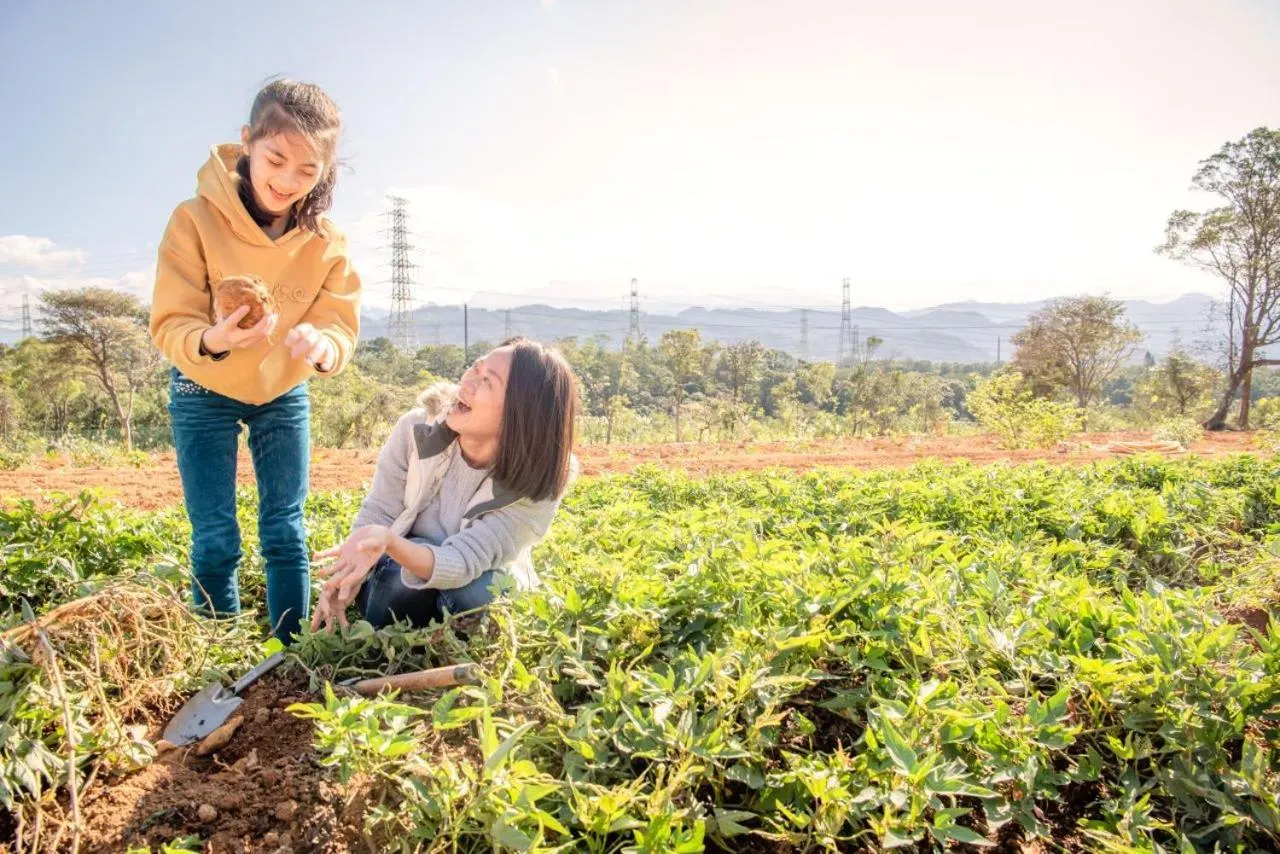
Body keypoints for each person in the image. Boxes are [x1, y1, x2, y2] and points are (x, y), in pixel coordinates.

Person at [149, 79, 361, 641]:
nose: (288, 182)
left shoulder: (326, 241)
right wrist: (213, 339)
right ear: (247, 142)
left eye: (308, 171)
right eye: (276, 160)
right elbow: (171, 321)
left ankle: (289, 651)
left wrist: (325, 345)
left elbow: (339, 318)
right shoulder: (193, 219)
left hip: (283, 392)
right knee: (214, 531)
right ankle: (218, 650)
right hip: (202, 386)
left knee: (285, 529)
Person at [311, 338, 578, 632]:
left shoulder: (539, 478)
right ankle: (406, 640)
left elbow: (464, 560)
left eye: (487, 381)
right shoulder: (416, 430)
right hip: (403, 566)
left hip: (475, 573)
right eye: (476, 368)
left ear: (520, 412)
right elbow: (379, 511)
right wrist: (345, 580)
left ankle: (451, 646)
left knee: (476, 594)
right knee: (397, 586)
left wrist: (390, 542)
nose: (467, 383)